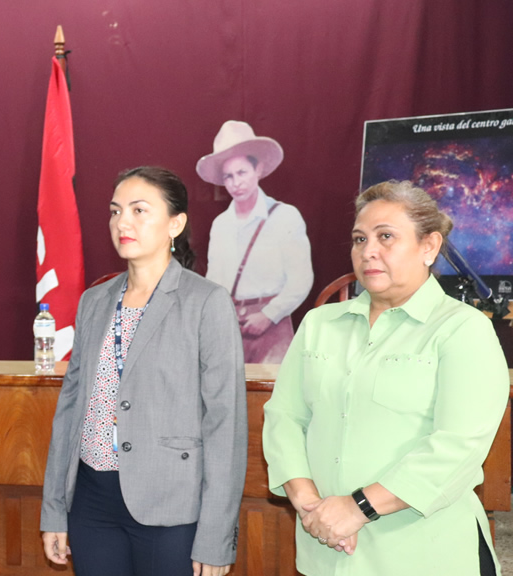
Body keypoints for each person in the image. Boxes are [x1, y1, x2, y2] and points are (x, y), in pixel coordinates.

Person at [262, 180, 506, 575]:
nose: (368, 251)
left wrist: (357, 507)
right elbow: (284, 418)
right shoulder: (319, 324)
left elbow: (457, 447)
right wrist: (310, 504)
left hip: (422, 555)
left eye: (386, 237)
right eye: (360, 239)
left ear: (429, 247)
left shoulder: (462, 329)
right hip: (326, 549)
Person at [41, 166, 247, 576]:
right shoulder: (94, 301)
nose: (123, 223)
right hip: (93, 501)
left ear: (176, 223)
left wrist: (216, 535)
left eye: (139, 210)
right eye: (116, 211)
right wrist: (54, 510)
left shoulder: (206, 301)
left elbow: (227, 425)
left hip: (170, 506)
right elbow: (69, 412)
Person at [197, 120, 313, 364]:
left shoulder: (285, 216)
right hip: (229, 326)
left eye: (242, 172)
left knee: (270, 398)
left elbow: (301, 279)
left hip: (272, 325)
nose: (235, 183)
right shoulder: (221, 224)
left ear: (258, 169)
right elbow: (214, 279)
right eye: (228, 176)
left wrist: (268, 315)